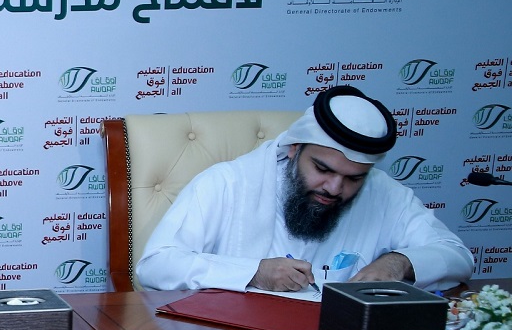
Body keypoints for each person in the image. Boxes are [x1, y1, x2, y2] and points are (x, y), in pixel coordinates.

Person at [136, 85, 473, 293]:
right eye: (322, 169)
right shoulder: (227, 183)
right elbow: (156, 266)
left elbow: (456, 255)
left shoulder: (384, 193)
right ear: (295, 149)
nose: (335, 187)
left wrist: (399, 263)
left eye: (354, 178)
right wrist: (253, 273)